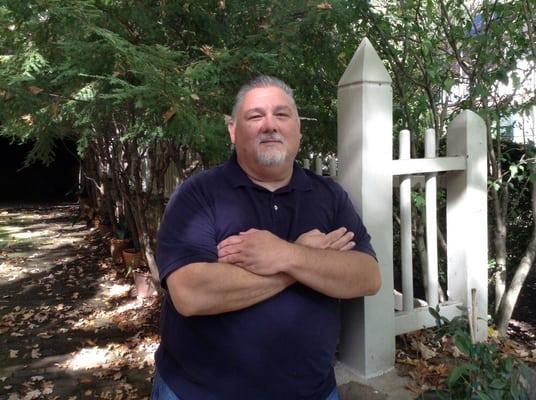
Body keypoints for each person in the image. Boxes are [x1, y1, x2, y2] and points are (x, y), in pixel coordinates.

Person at [153, 76, 381, 400]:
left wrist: (286, 255)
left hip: (313, 392)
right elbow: (191, 294)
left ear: (298, 131)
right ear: (233, 131)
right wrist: (305, 258)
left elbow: (367, 276)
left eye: (282, 115)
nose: (270, 125)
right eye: (255, 116)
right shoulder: (198, 196)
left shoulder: (329, 197)